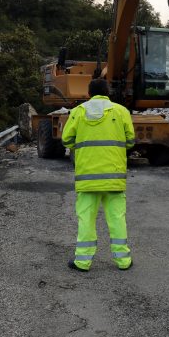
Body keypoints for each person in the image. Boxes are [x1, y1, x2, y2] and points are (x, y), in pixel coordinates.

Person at [61, 78, 135, 272]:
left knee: (86, 220)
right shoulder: (121, 112)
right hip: (114, 177)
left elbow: (66, 139)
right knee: (117, 219)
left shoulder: (78, 112)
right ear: (107, 92)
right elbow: (130, 140)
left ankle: (82, 262)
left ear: (89, 93)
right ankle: (123, 261)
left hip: (87, 178)